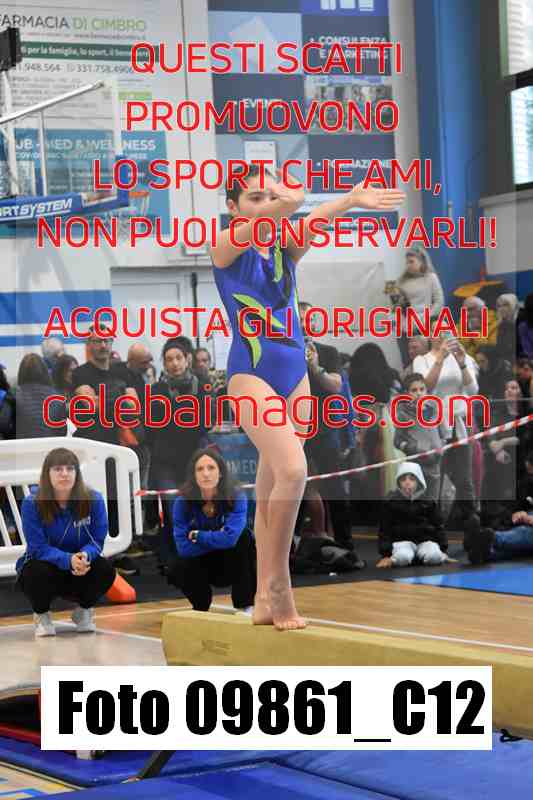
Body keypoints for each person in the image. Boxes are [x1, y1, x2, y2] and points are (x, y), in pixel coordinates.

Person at [210, 164, 404, 629]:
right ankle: (281, 585)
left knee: (270, 490)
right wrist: (287, 202)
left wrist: (349, 201)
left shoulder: (284, 246)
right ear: (233, 207)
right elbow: (282, 213)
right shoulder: (225, 245)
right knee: (295, 471)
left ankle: (262, 595)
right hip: (251, 375)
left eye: (269, 195)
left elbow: (312, 220)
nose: (266, 204)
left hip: (295, 374)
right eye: (255, 197)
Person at [16, 447, 115, 637]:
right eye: (58, 469)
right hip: (47, 568)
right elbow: (37, 547)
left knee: (106, 569)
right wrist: (68, 560)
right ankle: (42, 614)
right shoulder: (32, 503)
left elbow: (97, 540)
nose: (64, 474)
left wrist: (85, 556)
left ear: (77, 473)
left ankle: (83, 611)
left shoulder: (93, 499)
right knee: (33, 572)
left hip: (80, 567)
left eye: (70, 469)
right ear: (47, 474)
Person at [147, 337, 209, 568]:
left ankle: (196, 555)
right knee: (173, 509)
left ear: (187, 360)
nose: (174, 363)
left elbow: (206, 419)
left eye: (178, 358)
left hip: (194, 457)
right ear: (164, 363)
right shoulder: (157, 390)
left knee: (197, 508)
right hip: (165, 460)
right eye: (169, 359)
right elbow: (152, 424)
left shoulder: (201, 385)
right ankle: (178, 556)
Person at [168, 447, 256, 611]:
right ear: (194, 475)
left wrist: (198, 536)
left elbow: (231, 539)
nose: (206, 474)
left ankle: (245, 604)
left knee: (245, 538)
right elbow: (183, 547)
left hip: (229, 564)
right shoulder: (182, 502)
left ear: (220, 472)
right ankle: (200, 605)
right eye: (200, 469)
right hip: (202, 565)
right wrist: (219, 538)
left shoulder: (236, 497)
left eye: (211, 468)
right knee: (175, 566)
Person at [413, 333, 479, 525]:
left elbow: (473, 390)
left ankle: (472, 526)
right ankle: (431, 524)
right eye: (437, 331)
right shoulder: (422, 360)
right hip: (434, 425)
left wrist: (462, 363)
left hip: (459, 422)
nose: (442, 335)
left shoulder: (464, 357)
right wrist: (439, 359)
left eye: (446, 330)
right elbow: (425, 389)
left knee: (464, 479)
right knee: (435, 477)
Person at [377, 462, 450, 568]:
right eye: (403, 480)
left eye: (412, 479)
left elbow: (439, 526)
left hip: (425, 542)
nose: (407, 483)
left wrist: (443, 550)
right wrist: (386, 554)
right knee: (403, 557)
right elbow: (384, 529)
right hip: (402, 542)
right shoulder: (391, 502)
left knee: (434, 556)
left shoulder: (429, 501)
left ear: (419, 481)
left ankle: (421, 556)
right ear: (398, 482)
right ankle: (405, 558)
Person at [393, 373, 447, 502]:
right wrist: (413, 448)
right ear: (406, 393)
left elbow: (443, 435)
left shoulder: (434, 409)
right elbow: (397, 441)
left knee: (432, 501)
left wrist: (441, 447)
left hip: (435, 465)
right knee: (417, 502)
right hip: (415, 467)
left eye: (422, 389)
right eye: (414, 390)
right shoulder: (403, 414)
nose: (419, 393)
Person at [396, 246, 444, 366]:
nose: (408, 265)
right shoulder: (402, 281)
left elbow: (439, 302)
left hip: (425, 325)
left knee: (427, 361)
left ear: (421, 261)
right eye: (407, 262)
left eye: (411, 261)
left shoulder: (431, 277)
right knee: (408, 362)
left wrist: (425, 319)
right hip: (405, 328)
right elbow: (399, 307)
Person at [15, 353, 67, 439]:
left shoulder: (14, 396)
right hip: (50, 444)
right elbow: (62, 432)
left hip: (22, 445)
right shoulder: (58, 398)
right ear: (45, 371)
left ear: (21, 372)